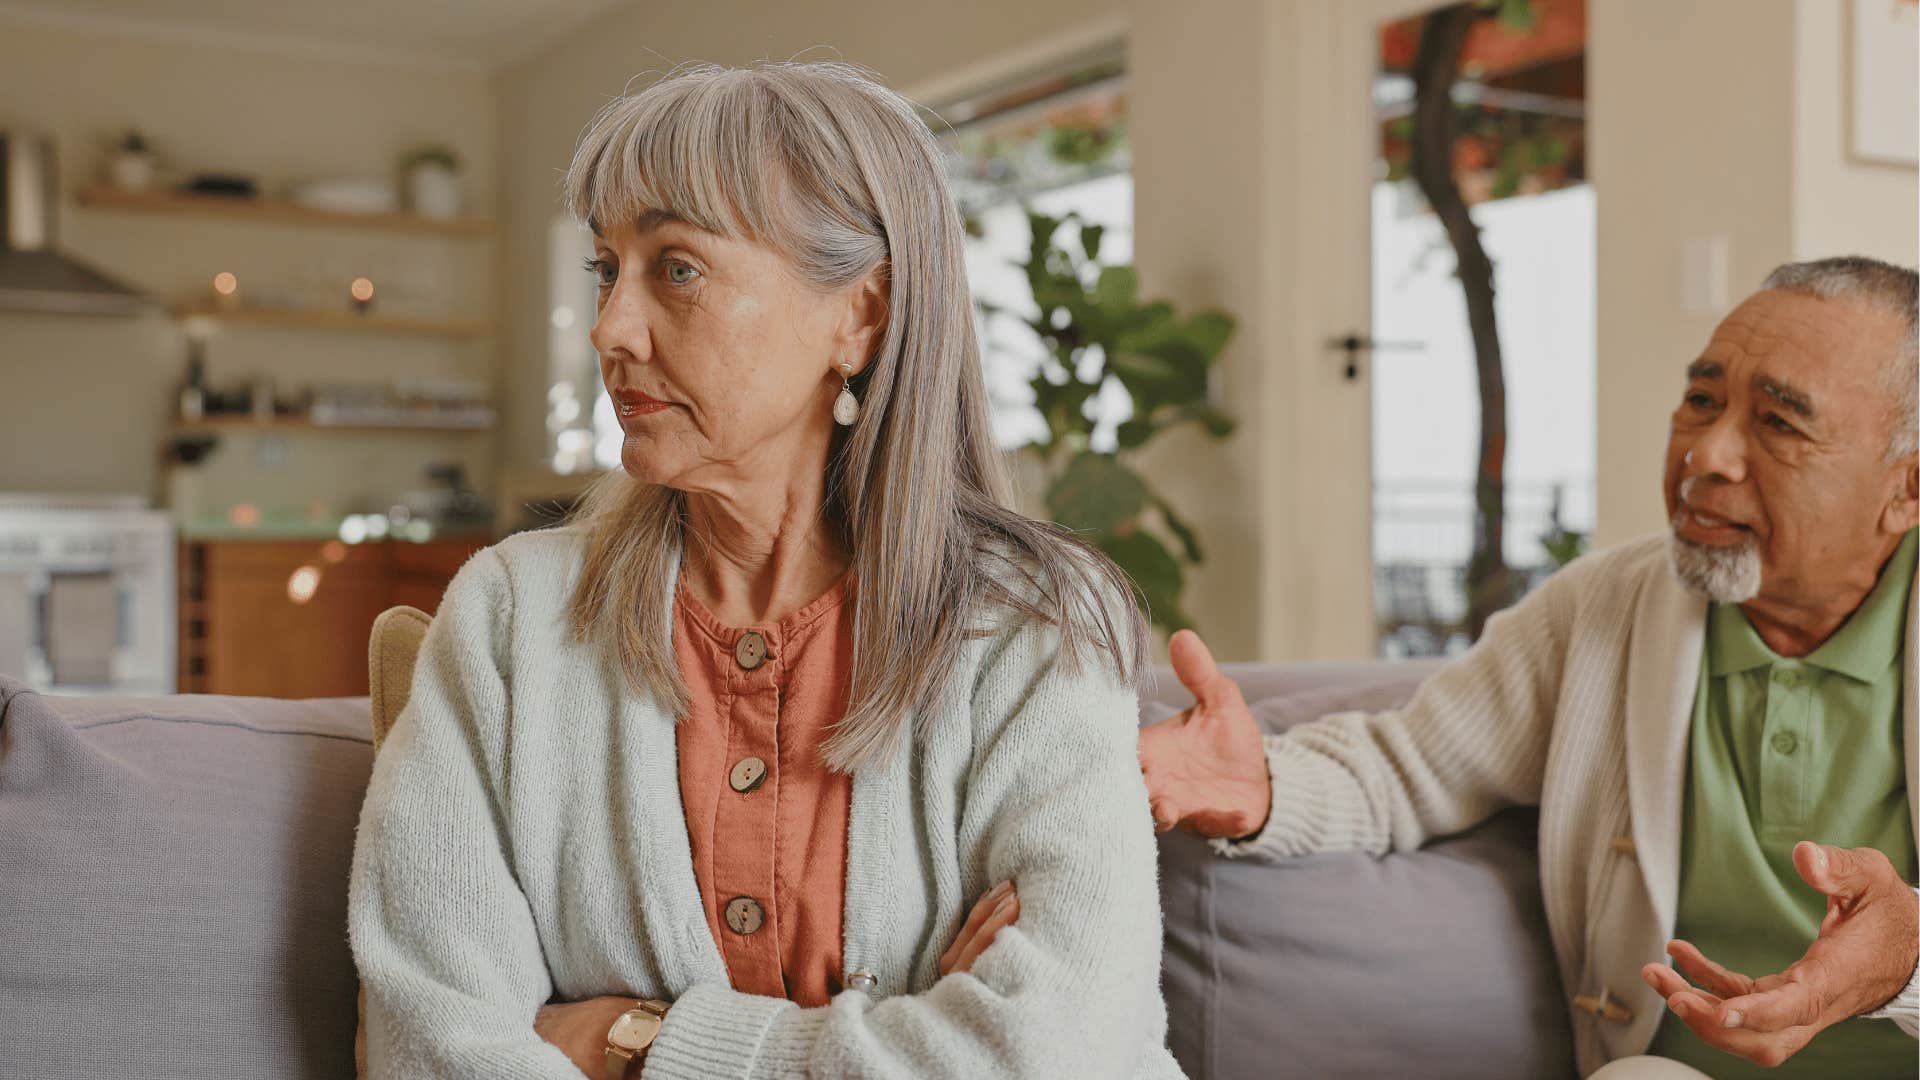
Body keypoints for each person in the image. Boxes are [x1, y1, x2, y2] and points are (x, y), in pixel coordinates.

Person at [349, 60, 1183, 1080]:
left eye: (678, 268)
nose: (613, 328)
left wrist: (637, 1046)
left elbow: (1052, 1058)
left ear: (861, 315)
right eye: (607, 269)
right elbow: (424, 1048)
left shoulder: (1035, 626)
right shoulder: (510, 617)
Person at [1140, 256, 1920, 1077]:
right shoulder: (1603, 609)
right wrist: (1262, 788)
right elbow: (1409, 767)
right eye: (1701, 402)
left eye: (1779, 424)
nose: (1708, 454)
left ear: (1907, 489)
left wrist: (1906, 958)